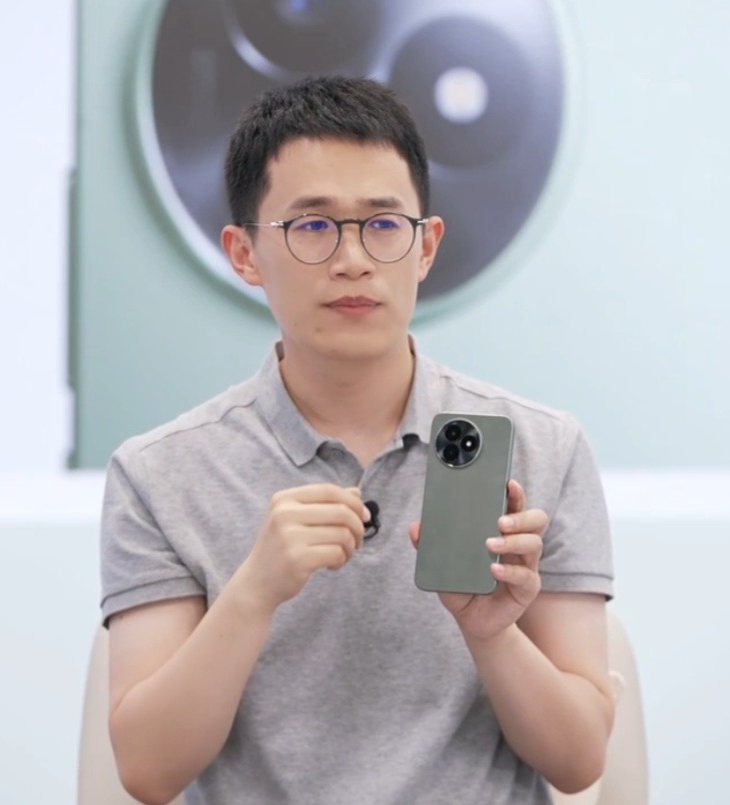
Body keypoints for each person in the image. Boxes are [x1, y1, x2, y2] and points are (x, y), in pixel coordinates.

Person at [100, 75, 615, 804]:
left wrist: (492, 633)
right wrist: (253, 593)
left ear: (426, 246)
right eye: (312, 227)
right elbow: (148, 771)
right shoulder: (159, 474)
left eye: (384, 224)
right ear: (244, 254)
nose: (353, 259)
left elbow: (579, 759)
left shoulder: (543, 448)